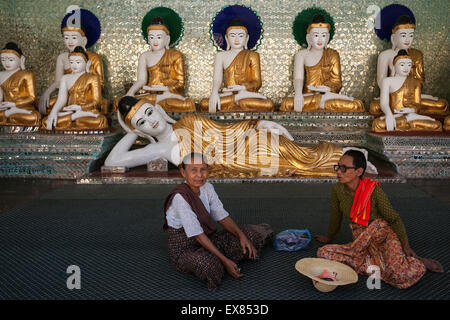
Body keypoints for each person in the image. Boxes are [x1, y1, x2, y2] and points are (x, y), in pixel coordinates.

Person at [105, 96, 379, 177]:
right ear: (140, 129)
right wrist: (129, 131)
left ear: (159, 108)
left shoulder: (188, 120)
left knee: (294, 151)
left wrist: (262, 123)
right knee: (296, 163)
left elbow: (226, 131)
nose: (151, 121)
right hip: (238, 164)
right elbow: (113, 161)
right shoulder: (159, 150)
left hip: (246, 145)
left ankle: (348, 157)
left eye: (150, 112)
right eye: (142, 122)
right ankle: (348, 162)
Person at [315, 150, 443, 289]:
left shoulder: (374, 191)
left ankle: (418, 262)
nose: (339, 171)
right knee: (323, 253)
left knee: (399, 275)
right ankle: (378, 263)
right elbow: (336, 215)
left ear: (359, 171)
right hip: (361, 242)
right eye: (338, 167)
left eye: (344, 168)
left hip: (382, 236)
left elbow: (393, 219)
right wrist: (329, 236)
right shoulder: (338, 189)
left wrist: (406, 246)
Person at [163, 152, 273, 290]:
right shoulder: (180, 198)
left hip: (209, 239)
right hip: (186, 249)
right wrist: (225, 260)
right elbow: (197, 234)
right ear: (183, 173)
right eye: (194, 170)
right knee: (209, 265)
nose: (199, 175)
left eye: (203, 169)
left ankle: (224, 258)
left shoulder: (207, 188)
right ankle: (223, 261)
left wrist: (242, 236)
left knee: (249, 236)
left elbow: (222, 216)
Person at [280, 8, 364, 112]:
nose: (320, 39)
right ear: (308, 38)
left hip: (328, 95)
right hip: (307, 97)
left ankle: (322, 102)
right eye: (316, 35)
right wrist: (298, 95)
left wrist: (327, 88)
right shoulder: (301, 55)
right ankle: (322, 103)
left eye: (323, 35)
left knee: (356, 105)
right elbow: (298, 79)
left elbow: (337, 82)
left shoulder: (333, 54)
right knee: (286, 104)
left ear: (327, 38)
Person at [370, 6, 448, 117]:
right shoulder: (385, 55)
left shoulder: (417, 55)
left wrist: (411, 91)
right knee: (375, 107)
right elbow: (381, 81)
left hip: (412, 97)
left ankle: (410, 112)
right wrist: (390, 92)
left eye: (411, 35)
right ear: (393, 38)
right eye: (403, 35)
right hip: (392, 96)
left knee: (442, 105)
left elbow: (420, 81)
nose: (407, 39)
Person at [112, 8, 195, 112]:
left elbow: (180, 84)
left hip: (169, 95)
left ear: (167, 40)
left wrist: (162, 89)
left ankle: (155, 103)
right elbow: (141, 80)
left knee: (188, 104)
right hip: (150, 95)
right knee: (118, 103)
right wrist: (130, 94)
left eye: (159, 37)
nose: (155, 41)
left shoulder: (175, 55)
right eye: (151, 37)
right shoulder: (145, 56)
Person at [199, 5, 274, 112]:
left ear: (246, 38)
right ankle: (238, 98)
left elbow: (257, 82)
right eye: (233, 35)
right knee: (204, 104)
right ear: (226, 38)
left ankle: (240, 98)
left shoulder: (253, 55)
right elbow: (217, 79)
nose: (237, 39)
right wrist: (214, 93)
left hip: (248, 95)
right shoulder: (221, 56)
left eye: (241, 35)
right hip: (228, 94)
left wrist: (242, 88)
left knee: (268, 104)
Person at [39, 6, 109, 115]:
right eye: (66, 38)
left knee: (103, 106)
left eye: (74, 37)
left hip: (88, 97)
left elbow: (100, 83)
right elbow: (58, 82)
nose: (70, 41)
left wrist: (84, 84)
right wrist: (47, 92)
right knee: (47, 106)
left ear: (84, 40)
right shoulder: (62, 57)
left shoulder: (94, 57)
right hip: (67, 96)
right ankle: (68, 114)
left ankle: (72, 114)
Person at [372, 50, 442, 132]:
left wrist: (410, 110)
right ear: (394, 66)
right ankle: (409, 125)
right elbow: (384, 103)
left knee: (437, 125)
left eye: (409, 65)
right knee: (378, 124)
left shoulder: (416, 82)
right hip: (396, 115)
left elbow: (417, 104)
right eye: (402, 65)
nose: (406, 68)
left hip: (412, 115)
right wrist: (388, 114)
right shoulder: (387, 81)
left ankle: (406, 123)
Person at [42, 46, 108, 130]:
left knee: (100, 121)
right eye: (71, 62)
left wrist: (80, 108)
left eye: (78, 62)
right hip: (70, 111)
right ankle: (75, 116)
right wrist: (54, 112)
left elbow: (96, 102)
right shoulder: (65, 78)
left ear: (87, 63)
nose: (74, 65)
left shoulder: (93, 78)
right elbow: (61, 100)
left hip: (88, 111)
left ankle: (76, 117)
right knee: (46, 121)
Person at [0, 42, 41, 126]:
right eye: (3, 60)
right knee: (9, 115)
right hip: (6, 108)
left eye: (11, 60)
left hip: (24, 109)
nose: (6, 63)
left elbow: (32, 98)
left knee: (34, 117)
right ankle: (9, 113)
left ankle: (10, 114)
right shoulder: (0, 74)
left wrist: (14, 104)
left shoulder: (26, 74)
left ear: (21, 59)